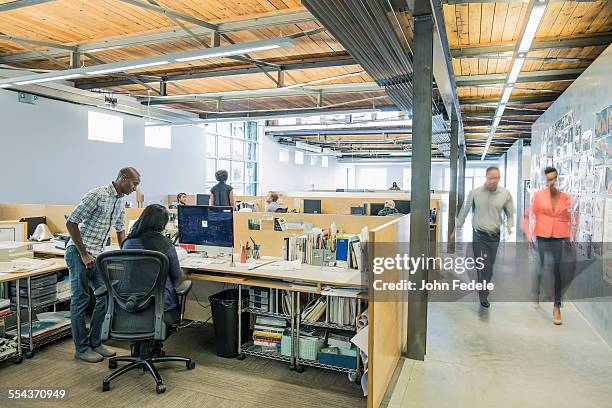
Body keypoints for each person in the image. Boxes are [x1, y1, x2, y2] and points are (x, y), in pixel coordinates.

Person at [65, 167, 141, 362]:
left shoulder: (120, 200)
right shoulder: (97, 195)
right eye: (134, 183)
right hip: (78, 253)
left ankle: (95, 343)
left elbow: (120, 229)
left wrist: (126, 254)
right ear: (123, 178)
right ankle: (81, 349)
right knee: (80, 300)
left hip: (96, 255)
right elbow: (71, 222)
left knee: (105, 296)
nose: (135, 188)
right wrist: (83, 253)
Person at [456, 166, 514, 308]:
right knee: (480, 265)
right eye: (491, 178)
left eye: (497, 178)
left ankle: (483, 294)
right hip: (478, 235)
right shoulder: (475, 193)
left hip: (494, 236)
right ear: (486, 177)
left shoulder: (505, 194)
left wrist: (509, 225)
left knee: (488, 267)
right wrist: (457, 225)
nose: (494, 181)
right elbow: (464, 210)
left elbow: (510, 213)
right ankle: (481, 285)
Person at [121, 204, 183, 325]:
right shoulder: (165, 244)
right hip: (161, 305)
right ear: (162, 224)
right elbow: (176, 276)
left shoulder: (127, 243)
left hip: (130, 302)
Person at [528, 167, 570, 325]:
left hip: (558, 237)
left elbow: (567, 217)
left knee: (557, 272)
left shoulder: (565, 197)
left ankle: (557, 306)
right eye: (549, 179)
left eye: (554, 179)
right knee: (540, 267)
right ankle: (536, 293)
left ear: (557, 179)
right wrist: (530, 235)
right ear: (546, 180)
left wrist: (568, 238)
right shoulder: (539, 196)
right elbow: (532, 214)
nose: (552, 182)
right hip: (542, 235)